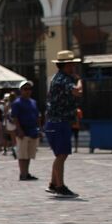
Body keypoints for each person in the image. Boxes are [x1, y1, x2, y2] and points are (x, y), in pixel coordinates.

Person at [45, 51, 83, 198]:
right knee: (62, 155)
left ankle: (53, 183)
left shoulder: (58, 78)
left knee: (61, 154)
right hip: (59, 122)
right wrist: (79, 80)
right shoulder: (64, 79)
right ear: (65, 65)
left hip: (56, 122)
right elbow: (78, 92)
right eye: (71, 63)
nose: (73, 66)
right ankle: (59, 186)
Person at [10, 81, 41, 181]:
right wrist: (19, 130)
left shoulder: (33, 102)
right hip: (23, 131)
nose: (27, 91)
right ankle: (22, 173)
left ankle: (26, 173)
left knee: (29, 154)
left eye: (29, 89)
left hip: (32, 131)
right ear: (21, 90)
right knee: (22, 154)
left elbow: (37, 116)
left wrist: (38, 129)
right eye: (25, 89)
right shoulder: (17, 103)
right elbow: (15, 117)